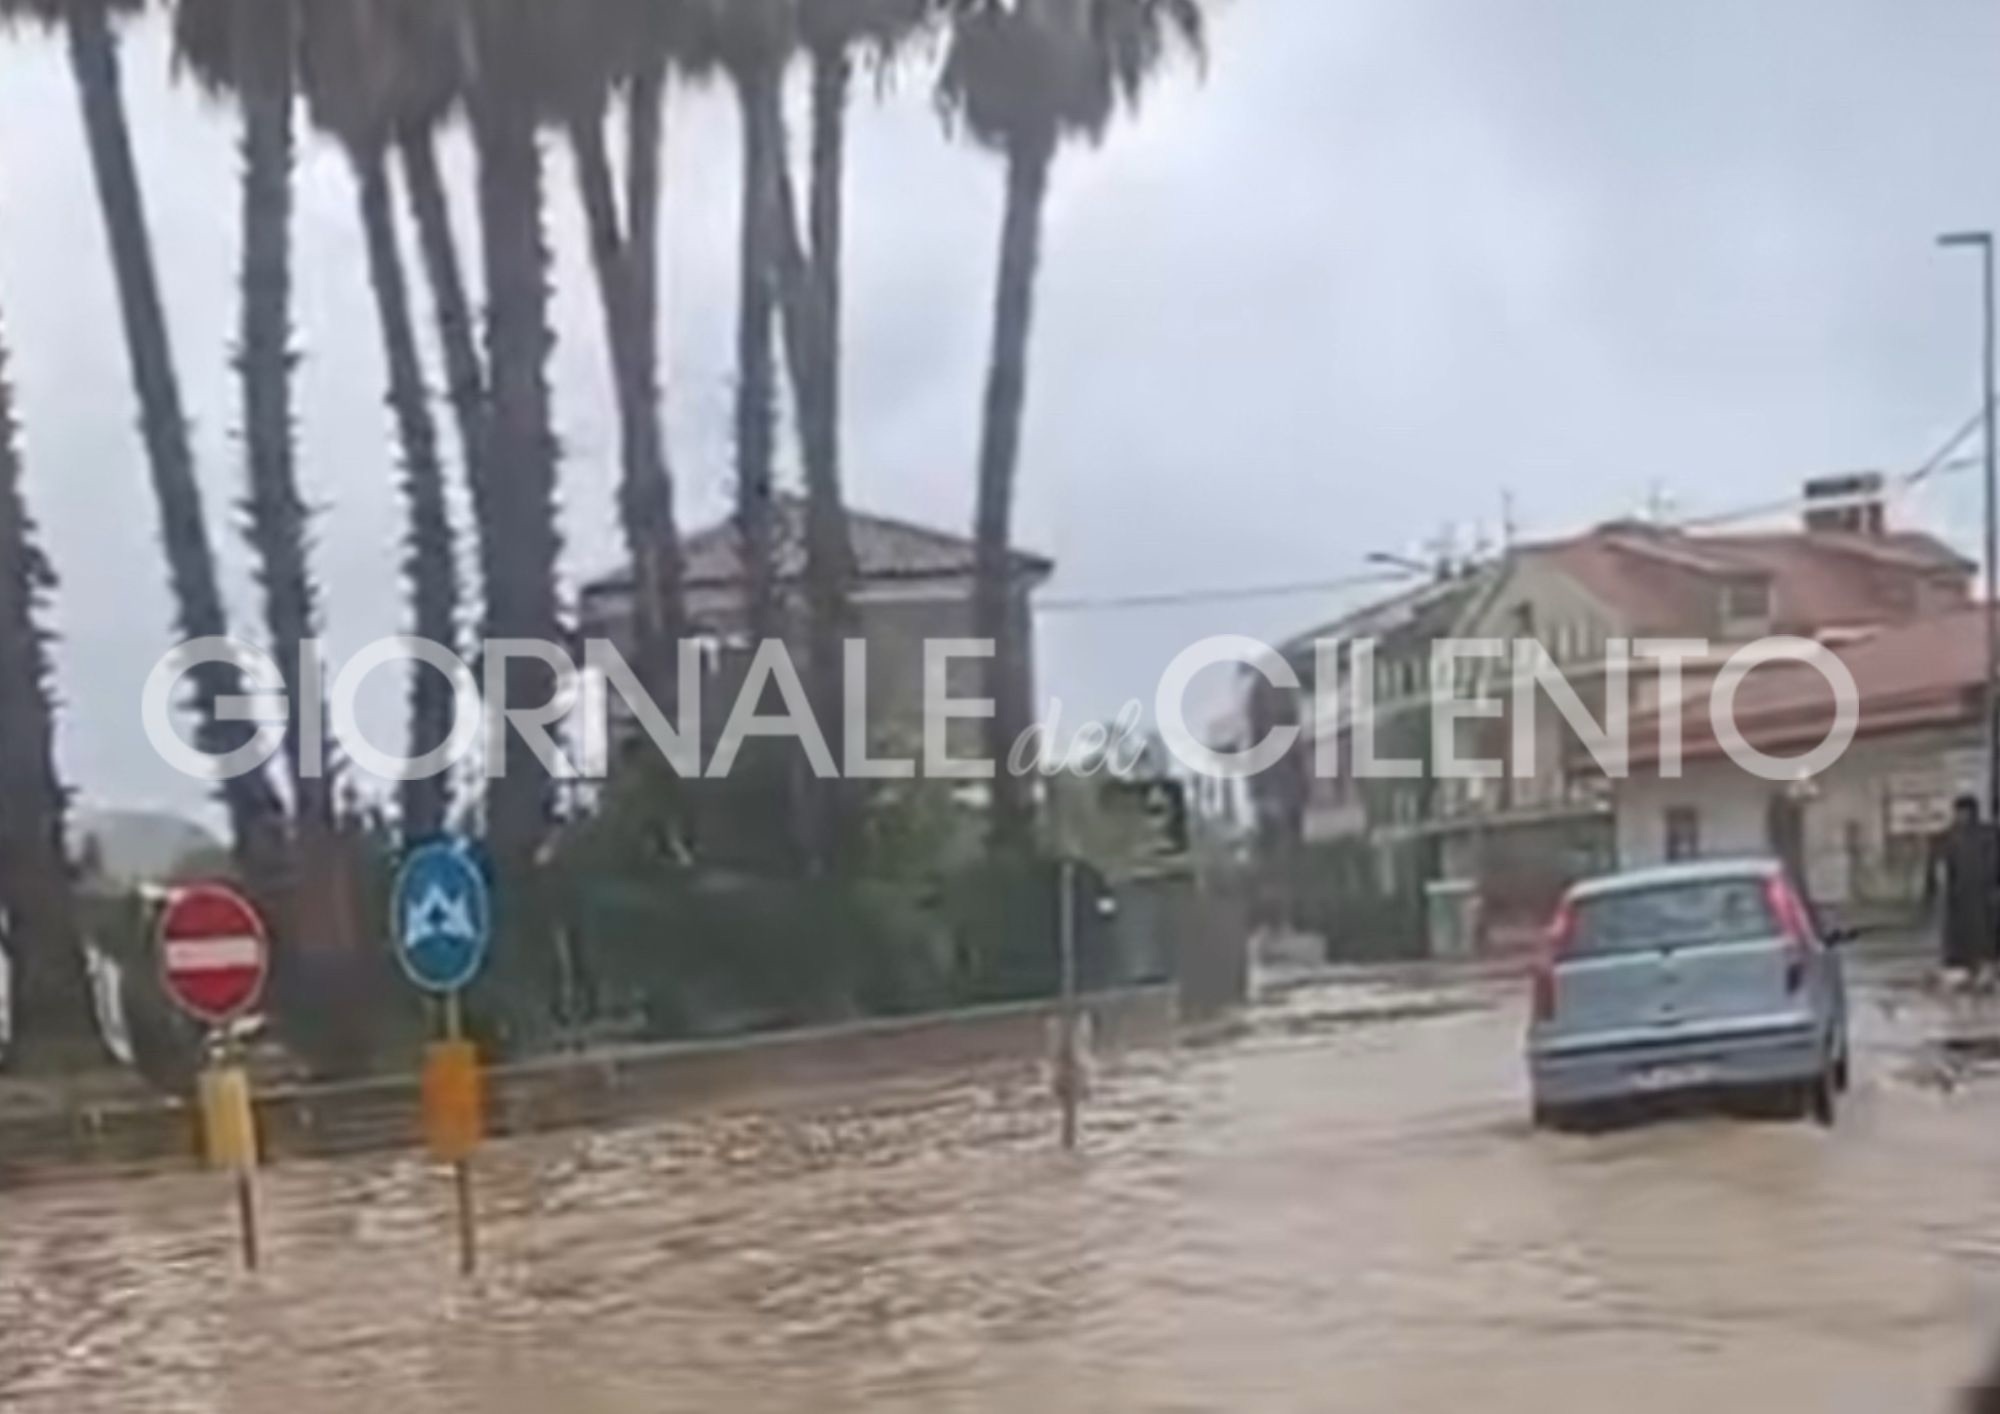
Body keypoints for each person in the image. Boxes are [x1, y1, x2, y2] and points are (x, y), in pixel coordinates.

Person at [1926, 795, 2000, 989]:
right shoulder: (1948, 837)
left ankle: (1983, 971)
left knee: (1984, 937)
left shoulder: (1989, 835)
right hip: (1961, 898)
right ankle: (1971, 972)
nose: (1962, 817)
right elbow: (1936, 869)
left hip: (1983, 896)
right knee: (1965, 939)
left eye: (1965, 813)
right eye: (1960, 813)